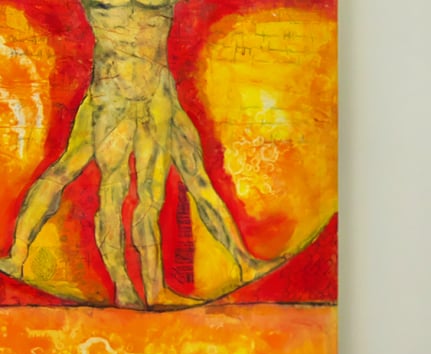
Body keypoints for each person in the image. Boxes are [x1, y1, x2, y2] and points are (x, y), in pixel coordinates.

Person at [0, 0, 276, 307]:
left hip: (157, 90)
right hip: (113, 92)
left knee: (187, 180)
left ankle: (240, 264)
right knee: (113, 188)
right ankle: (123, 285)